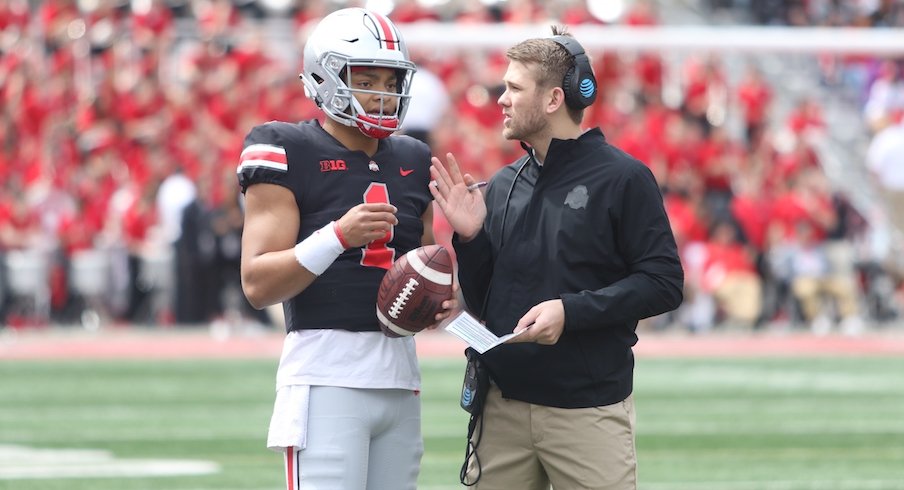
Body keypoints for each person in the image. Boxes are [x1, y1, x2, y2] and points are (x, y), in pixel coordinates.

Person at [430, 27, 684, 489]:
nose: (501, 100)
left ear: (552, 99)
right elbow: (488, 301)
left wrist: (571, 311)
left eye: (513, 88)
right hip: (501, 409)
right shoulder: (503, 183)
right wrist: (470, 240)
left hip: (585, 413)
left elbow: (664, 282)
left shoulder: (624, 178)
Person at [237, 8, 456, 490]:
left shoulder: (414, 159)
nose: (383, 93)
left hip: (400, 379)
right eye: (367, 79)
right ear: (325, 75)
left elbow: (421, 268)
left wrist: (445, 295)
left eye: (391, 79)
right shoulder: (285, 147)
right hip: (325, 378)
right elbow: (256, 283)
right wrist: (336, 236)